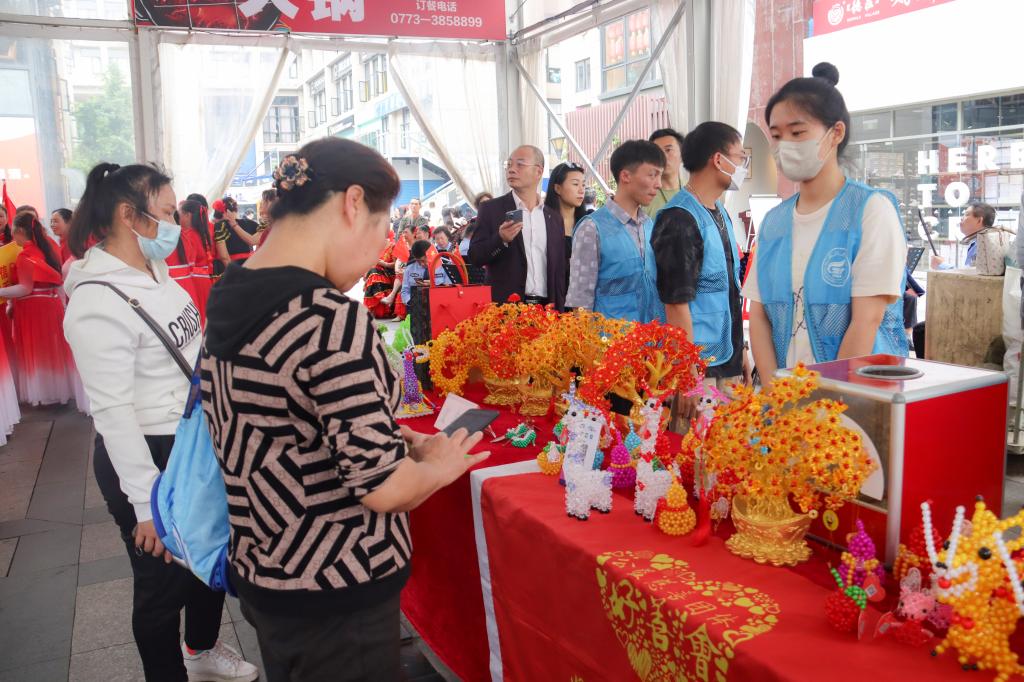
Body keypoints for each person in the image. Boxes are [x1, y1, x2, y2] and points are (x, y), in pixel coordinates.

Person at [201, 138, 489, 681]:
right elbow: (383, 487)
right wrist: (442, 463)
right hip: (336, 584)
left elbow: (281, 422)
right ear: (353, 203)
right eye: (381, 232)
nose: (376, 255)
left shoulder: (232, 291)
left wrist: (391, 438)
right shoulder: (328, 316)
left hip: (267, 570)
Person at [63, 163, 257, 682]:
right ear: (130, 216)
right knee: (160, 584)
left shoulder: (157, 272)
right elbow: (113, 413)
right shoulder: (96, 301)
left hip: (191, 441)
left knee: (207, 554)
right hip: (151, 454)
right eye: (168, 213)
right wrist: (147, 504)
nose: (178, 224)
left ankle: (202, 649)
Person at [745, 62, 907, 380]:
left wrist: (826, 397)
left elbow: (866, 321)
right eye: (776, 136)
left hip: (853, 395)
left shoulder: (870, 210)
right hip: (784, 396)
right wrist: (775, 390)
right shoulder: (774, 222)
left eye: (797, 133)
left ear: (836, 133)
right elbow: (760, 317)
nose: (784, 145)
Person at [652, 122, 751, 416]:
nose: (743, 166)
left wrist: (741, 350)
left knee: (728, 439)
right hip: (698, 369)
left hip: (727, 358)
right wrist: (685, 370)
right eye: (740, 157)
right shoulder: (678, 218)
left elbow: (728, 289)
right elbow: (675, 302)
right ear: (718, 160)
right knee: (694, 439)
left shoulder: (720, 212)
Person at [565, 140, 666, 322]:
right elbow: (580, 300)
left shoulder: (649, 225)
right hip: (610, 337)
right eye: (652, 175)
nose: (658, 184)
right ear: (625, 176)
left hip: (653, 335)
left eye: (660, 176)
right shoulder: (592, 228)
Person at [468, 145, 567, 309]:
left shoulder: (554, 218)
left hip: (546, 310)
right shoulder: (491, 209)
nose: (511, 169)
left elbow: (559, 270)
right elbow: (475, 257)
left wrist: (560, 308)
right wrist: (500, 240)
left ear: (538, 171)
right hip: (507, 309)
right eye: (509, 164)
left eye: (520, 164)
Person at [0, 213, 75, 405]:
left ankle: (44, 395)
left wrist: (1, 291)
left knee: (37, 353)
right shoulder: (47, 249)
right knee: (52, 351)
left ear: (19, 231)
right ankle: (57, 392)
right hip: (51, 305)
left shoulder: (25, 256)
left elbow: (25, 288)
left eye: (14, 232)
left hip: (34, 308)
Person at [544, 162, 587, 267]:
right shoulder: (543, 222)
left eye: (583, 185)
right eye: (575, 184)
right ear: (557, 188)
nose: (581, 190)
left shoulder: (588, 222)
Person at [179, 199, 215, 323]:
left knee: (197, 319)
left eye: (180, 214)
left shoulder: (188, 235)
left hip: (196, 281)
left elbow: (189, 262)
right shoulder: (202, 233)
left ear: (187, 215)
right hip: (204, 279)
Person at [930, 202, 995, 270]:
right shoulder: (979, 242)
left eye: (967, 215)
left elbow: (970, 275)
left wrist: (941, 265)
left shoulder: (983, 245)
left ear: (979, 220)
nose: (961, 218)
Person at [646, 128, 686, 217]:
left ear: (682, 154)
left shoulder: (694, 192)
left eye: (668, 150)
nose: (663, 156)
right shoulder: (644, 198)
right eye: (657, 152)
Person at [213, 197, 258, 273]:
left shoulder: (217, 227)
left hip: (227, 268)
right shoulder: (249, 223)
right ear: (236, 210)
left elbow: (224, 257)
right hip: (249, 265)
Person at [402, 238, 452, 305]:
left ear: (430, 255)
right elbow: (405, 291)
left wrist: (434, 284)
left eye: (423, 260)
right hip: (417, 305)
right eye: (418, 261)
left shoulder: (444, 265)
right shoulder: (410, 268)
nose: (421, 264)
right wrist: (412, 302)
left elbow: (450, 289)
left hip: (440, 304)